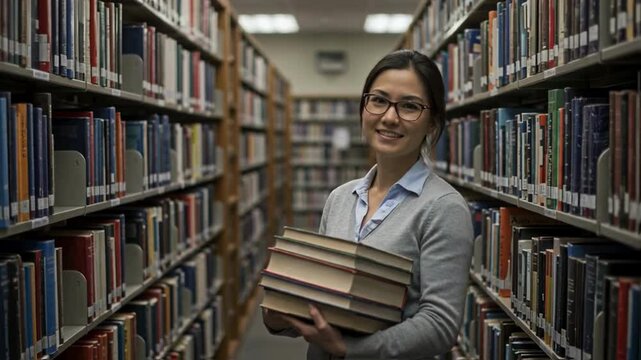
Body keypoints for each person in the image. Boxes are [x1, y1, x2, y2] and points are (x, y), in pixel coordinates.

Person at [263, 49, 474, 360]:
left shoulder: (443, 208)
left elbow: (440, 325)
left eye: (410, 106)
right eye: (378, 100)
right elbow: (322, 296)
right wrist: (283, 313)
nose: (389, 117)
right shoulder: (339, 198)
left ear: (432, 123)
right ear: (363, 108)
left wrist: (350, 349)